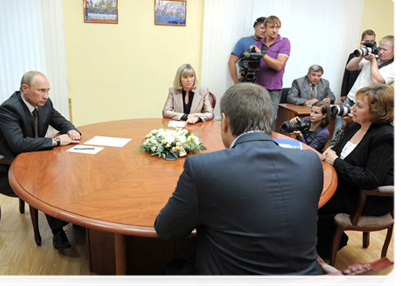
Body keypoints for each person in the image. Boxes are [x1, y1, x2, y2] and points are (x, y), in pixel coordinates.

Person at [155, 83, 324, 286]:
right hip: (306, 281)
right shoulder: (311, 162)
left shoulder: (204, 168)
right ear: (268, 120)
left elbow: (166, 230)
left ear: (224, 122)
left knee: (172, 268)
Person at [0, 71, 81, 249]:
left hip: (33, 158)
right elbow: (18, 144)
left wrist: (71, 130)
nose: (46, 96)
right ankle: (58, 232)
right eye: (41, 91)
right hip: (8, 168)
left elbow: (61, 121)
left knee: (70, 171)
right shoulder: (9, 109)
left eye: (48, 90)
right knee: (47, 181)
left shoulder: (44, 103)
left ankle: (75, 217)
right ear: (25, 89)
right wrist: (56, 140)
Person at [317, 84, 398, 259]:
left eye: (359, 106)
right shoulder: (354, 126)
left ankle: (323, 251)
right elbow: (336, 151)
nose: (351, 107)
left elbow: (370, 179)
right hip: (348, 185)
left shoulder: (386, 137)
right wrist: (330, 154)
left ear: (377, 111)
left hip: (369, 197)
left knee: (313, 201)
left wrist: (336, 161)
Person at [332, 35, 398, 140]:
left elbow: (378, 82)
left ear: (395, 49)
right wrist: (362, 53)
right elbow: (350, 67)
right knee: (338, 133)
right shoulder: (371, 58)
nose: (381, 52)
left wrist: (372, 61)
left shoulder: (395, 68)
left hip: (367, 106)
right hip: (351, 100)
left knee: (354, 134)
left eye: (385, 50)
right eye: (379, 49)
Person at [253, 15, 291, 130]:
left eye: (277, 27)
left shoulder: (284, 42)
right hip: (257, 88)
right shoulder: (258, 45)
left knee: (269, 120)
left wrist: (261, 54)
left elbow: (279, 65)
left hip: (273, 89)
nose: (275, 30)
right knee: (255, 119)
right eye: (271, 27)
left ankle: (269, 145)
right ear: (264, 28)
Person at [340, 29, 376, 103]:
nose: (370, 43)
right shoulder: (353, 55)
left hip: (365, 96)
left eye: (372, 41)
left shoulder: (375, 57)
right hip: (351, 92)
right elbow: (346, 74)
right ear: (362, 41)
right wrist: (343, 93)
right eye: (367, 41)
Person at [228, 16, 266, 84]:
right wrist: (236, 82)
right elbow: (231, 62)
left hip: (263, 84)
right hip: (245, 82)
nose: (263, 31)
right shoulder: (243, 41)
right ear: (255, 27)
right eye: (261, 28)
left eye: (265, 29)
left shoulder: (269, 45)